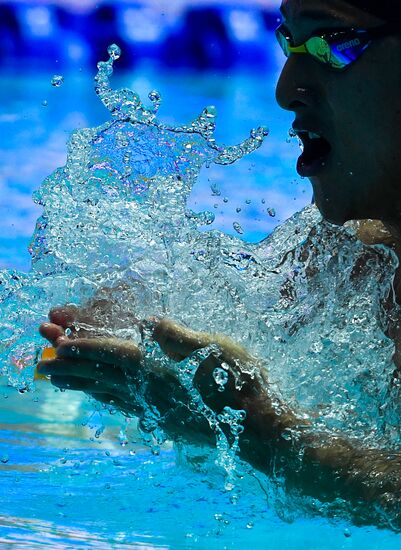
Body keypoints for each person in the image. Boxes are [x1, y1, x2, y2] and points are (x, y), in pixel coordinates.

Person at [38, 0, 401, 530]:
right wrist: (143, 318)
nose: (285, 89)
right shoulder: (349, 254)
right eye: (290, 44)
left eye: (332, 44)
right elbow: (249, 317)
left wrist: (260, 429)